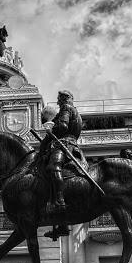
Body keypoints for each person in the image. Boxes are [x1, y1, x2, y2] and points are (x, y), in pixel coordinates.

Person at [41, 90, 83, 238]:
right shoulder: (75, 111)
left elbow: (63, 126)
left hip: (65, 144)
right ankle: (62, 225)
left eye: (59, 99)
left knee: (53, 167)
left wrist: (51, 129)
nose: (58, 102)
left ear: (64, 99)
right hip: (70, 144)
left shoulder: (67, 109)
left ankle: (59, 201)